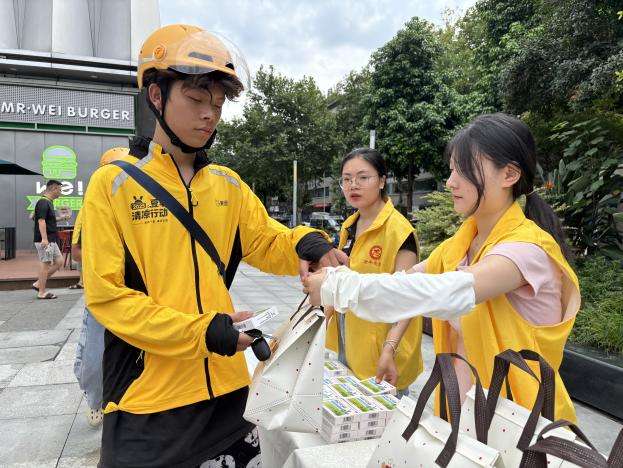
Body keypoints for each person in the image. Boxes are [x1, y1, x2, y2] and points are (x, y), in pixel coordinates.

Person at [82, 24, 347, 467]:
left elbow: (267, 240)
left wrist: (309, 243)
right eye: (196, 99)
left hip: (228, 394)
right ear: (156, 96)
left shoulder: (228, 184)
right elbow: (108, 298)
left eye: (219, 104)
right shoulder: (113, 186)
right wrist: (204, 332)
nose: (210, 114)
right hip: (148, 401)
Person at [305, 113, 581, 422]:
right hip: (462, 414)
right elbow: (404, 283)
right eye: (451, 169)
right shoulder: (460, 246)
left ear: (509, 175)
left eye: (464, 170)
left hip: (517, 422)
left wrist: (337, 285)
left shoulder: (527, 249)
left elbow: (448, 291)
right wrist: (331, 274)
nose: (450, 182)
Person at [326, 148, 423, 396]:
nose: (353, 185)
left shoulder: (399, 231)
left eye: (363, 177)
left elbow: (409, 297)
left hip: (384, 349)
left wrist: (390, 348)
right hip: (350, 340)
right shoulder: (350, 226)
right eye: (347, 179)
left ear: (381, 181)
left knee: (385, 415)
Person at [73, 147, 129, 427]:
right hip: (105, 296)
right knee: (94, 357)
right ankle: (96, 401)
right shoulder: (93, 205)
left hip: (138, 295)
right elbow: (76, 251)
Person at [32, 179, 68, 299]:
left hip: (51, 239)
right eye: (59, 190)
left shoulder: (48, 202)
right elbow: (41, 220)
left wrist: (62, 218)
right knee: (46, 264)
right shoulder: (43, 202)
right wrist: (44, 239)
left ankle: (39, 283)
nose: (60, 192)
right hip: (45, 239)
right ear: (53, 188)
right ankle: (41, 292)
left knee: (59, 261)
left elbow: (39, 218)